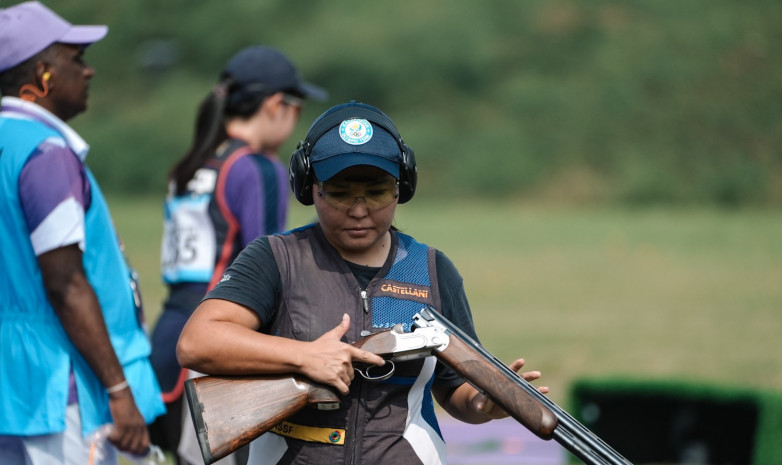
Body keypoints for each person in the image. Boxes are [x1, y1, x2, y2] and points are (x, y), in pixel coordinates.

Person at [176, 101, 548, 465]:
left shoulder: (432, 268)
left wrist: (485, 405)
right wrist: (306, 356)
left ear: (401, 187)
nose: (358, 209)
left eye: (377, 191)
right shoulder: (275, 257)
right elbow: (197, 342)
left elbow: (455, 390)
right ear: (310, 188)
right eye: (339, 192)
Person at [0, 2, 165, 465]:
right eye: (76, 58)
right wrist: (118, 388)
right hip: (62, 384)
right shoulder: (45, 154)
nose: (89, 71)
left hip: (12, 382)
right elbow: (65, 282)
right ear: (42, 72)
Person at [149, 45, 327, 464]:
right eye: (296, 108)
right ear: (274, 105)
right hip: (218, 349)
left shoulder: (191, 165)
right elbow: (271, 271)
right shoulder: (256, 167)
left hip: (166, 343)